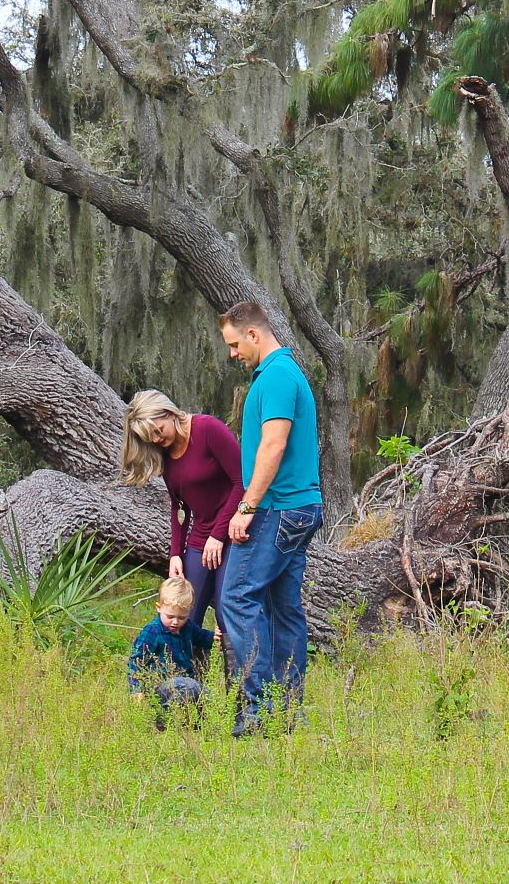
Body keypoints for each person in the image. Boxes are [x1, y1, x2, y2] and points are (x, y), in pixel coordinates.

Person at [216, 297, 322, 737]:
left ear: (254, 334)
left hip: (279, 508)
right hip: (300, 508)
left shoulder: (277, 376)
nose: (232, 354)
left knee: (236, 597)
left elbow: (273, 446)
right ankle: (286, 710)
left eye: (235, 344)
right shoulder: (284, 373)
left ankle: (257, 710)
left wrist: (246, 507)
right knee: (282, 607)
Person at [119, 388, 243, 652]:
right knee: (185, 612)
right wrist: (176, 553)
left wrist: (218, 536)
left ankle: (237, 688)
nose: (156, 438)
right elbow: (179, 505)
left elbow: (242, 482)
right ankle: (187, 686)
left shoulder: (208, 430)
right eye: (149, 437)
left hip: (232, 532)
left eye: (157, 429)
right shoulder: (165, 452)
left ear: (169, 413)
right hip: (200, 537)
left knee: (227, 610)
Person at [127, 576, 214, 727]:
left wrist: (217, 637)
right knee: (187, 687)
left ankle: (199, 726)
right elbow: (137, 661)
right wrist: (136, 689)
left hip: (184, 682)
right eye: (170, 616)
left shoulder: (187, 627)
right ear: (158, 607)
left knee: (204, 695)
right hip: (160, 684)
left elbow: (203, 638)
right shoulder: (152, 631)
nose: (175, 622)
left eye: (181, 617)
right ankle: (162, 722)